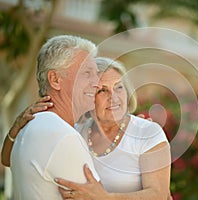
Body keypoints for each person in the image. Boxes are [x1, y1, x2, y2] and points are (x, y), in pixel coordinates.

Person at [2, 57, 172, 199]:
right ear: (88, 97)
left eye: (119, 87)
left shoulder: (148, 132)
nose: (114, 98)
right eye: (102, 91)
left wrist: (105, 198)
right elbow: (8, 159)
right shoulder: (75, 133)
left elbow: (159, 194)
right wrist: (17, 126)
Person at [2, 35, 101, 200]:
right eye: (87, 73)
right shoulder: (63, 136)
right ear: (55, 80)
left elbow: (6, 160)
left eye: (96, 73)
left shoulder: (32, 125)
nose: (97, 82)